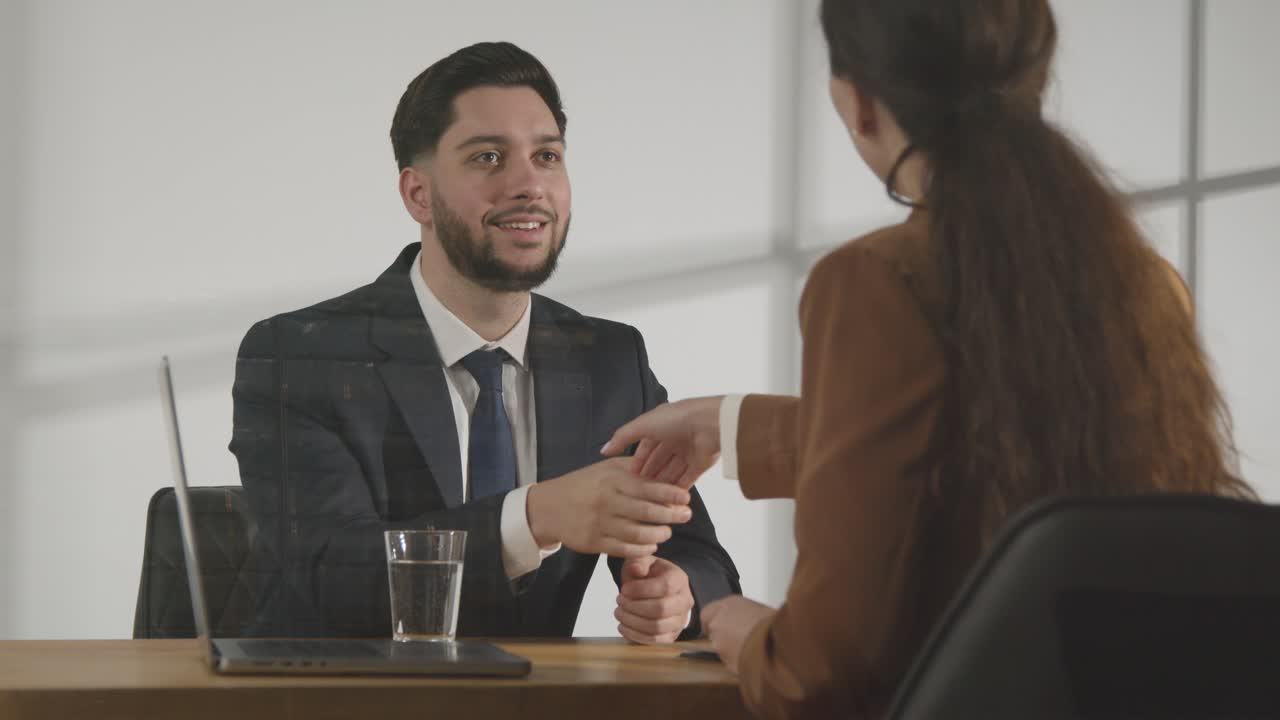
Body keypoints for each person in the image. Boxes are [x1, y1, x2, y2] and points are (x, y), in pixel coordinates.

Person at [602, 1, 1254, 716]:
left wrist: (740, 624)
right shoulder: (1146, 281)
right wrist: (730, 429)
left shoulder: (878, 279)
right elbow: (995, 431)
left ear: (859, 104)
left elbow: (823, 675)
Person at [229, 41, 738, 642]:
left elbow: (701, 556)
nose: (528, 184)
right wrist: (537, 515)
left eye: (547, 155)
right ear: (418, 194)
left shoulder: (610, 359)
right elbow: (333, 576)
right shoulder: (299, 353)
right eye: (488, 158)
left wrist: (677, 593)